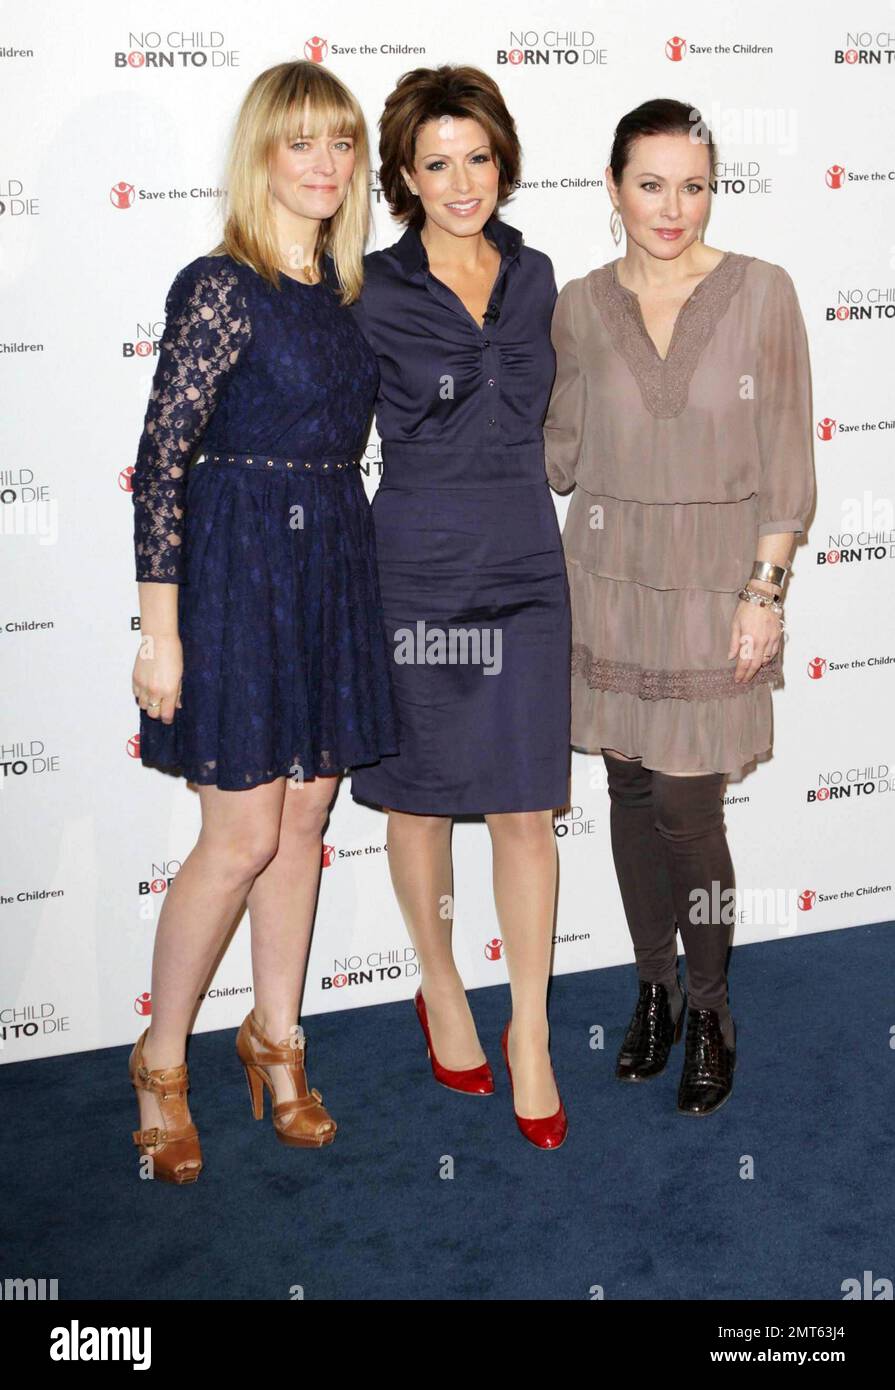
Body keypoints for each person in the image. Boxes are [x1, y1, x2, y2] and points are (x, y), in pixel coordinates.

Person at [128, 61, 399, 1182]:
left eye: (341, 145)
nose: (326, 165)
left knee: (302, 827)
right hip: (237, 576)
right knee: (236, 837)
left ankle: (277, 1039)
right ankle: (159, 1060)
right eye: (301, 144)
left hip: (331, 561)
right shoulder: (218, 285)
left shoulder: (349, 299)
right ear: (262, 157)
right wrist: (161, 629)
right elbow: (159, 467)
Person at [544, 98, 815, 1116]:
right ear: (612, 189)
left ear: (714, 188)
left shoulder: (760, 293)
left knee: (687, 811)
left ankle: (709, 1006)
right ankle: (649, 987)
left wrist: (765, 589)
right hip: (607, 583)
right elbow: (557, 452)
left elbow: (787, 462)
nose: (673, 207)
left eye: (693, 184)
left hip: (713, 585)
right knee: (624, 794)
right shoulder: (576, 306)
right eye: (650, 184)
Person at [349, 66, 571, 1148]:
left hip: (528, 561)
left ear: (502, 158)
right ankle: (440, 983)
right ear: (402, 174)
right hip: (419, 568)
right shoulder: (371, 287)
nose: (461, 180)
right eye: (436, 162)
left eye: (476, 156)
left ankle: (529, 1028)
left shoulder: (535, 276)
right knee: (424, 799)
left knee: (526, 805)